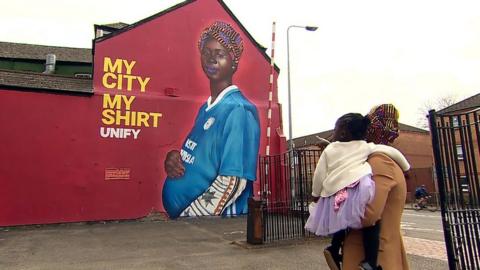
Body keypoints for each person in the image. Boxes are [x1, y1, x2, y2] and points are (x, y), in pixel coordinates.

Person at [161, 21, 260, 218]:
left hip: (214, 228)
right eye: (206, 53)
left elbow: (232, 181)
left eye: (220, 54)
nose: (211, 59)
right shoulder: (205, 108)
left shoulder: (238, 110)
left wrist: (190, 217)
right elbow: (201, 158)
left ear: (234, 63)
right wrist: (175, 158)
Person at [306, 113, 410, 270]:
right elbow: (391, 151)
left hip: (334, 192)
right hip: (355, 188)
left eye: (335, 129)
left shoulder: (332, 149)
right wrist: (406, 167)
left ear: (342, 132)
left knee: (341, 218)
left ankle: (334, 248)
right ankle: (369, 262)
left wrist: (315, 194)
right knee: (372, 225)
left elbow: (319, 174)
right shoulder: (366, 147)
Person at [342, 104, 410, 270]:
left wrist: (335, 210)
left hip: (375, 256)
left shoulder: (380, 161)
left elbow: (369, 214)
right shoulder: (384, 159)